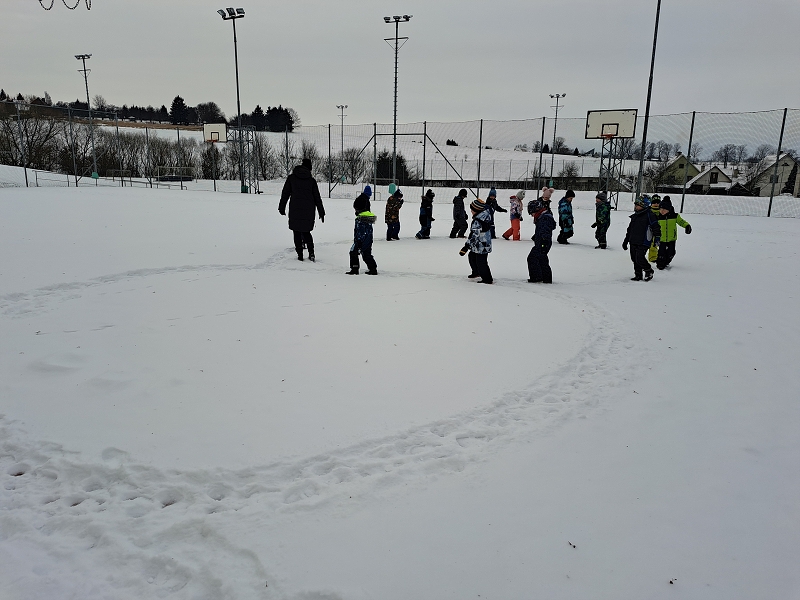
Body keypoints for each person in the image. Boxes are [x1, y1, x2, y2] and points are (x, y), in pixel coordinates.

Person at [278, 158, 325, 261]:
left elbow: (285, 194)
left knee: (296, 232)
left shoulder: (291, 178)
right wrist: (321, 212)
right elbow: (317, 197)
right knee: (306, 232)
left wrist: (281, 207)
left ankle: (300, 255)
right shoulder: (311, 181)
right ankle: (311, 253)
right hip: (308, 210)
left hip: (295, 209)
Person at [622, 195, 661, 281]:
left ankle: (648, 270)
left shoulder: (650, 215)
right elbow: (630, 229)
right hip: (633, 240)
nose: (636, 206)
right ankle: (638, 275)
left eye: (638, 205)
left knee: (639, 257)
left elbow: (656, 227)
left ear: (645, 205)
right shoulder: (635, 216)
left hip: (644, 241)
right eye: (635, 204)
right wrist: (626, 240)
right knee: (634, 258)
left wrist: (657, 238)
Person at [458, 197, 493, 284]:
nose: (471, 211)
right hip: (481, 243)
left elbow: (474, 235)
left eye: (472, 209)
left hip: (482, 245)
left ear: (477, 210)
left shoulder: (478, 221)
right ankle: (476, 272)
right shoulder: (485, 214)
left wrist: (466, 246)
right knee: (472, 256)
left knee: (481, 262)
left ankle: (487, 279)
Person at [346, 187, 378, 275]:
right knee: (366, 254)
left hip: (361, 240)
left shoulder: (361, 219)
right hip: (367, 240)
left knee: (353, 252)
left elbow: (361, 232)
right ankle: (373, 268)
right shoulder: (366, 217)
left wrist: (358, 242)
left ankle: (355, 269)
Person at [654, 196, 692, 270]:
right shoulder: (658, 217)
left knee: (671, 253)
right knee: (661, 253)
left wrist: (687, 226)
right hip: (661, 239)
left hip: (672, 238)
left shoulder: (674, 216)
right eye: (660, 209)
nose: (662, 211)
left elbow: (681, 222)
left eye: (664, 209)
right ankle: (660, 264)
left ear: (669, 209)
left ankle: (667, 261)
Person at [526, 198, 556, 283]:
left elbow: (545, 231)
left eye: (532, 213)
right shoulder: (542, 216)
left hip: (543, 243)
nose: (532, 215)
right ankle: (545, 278)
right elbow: (542, 230)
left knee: (532, 258)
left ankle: (537, 277)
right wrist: (536, 236)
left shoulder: (544, 218)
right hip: (542, 241)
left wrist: (543, 242)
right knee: (542, 259)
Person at [647, 194, 662, 262]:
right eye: (654, 202)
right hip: (649, 230)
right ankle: (652, 257)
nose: (656, 204)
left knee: (655, 244)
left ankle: (656, 256)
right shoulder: (648, 211)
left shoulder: (662, 212)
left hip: (659, 231)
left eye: (658, 202)